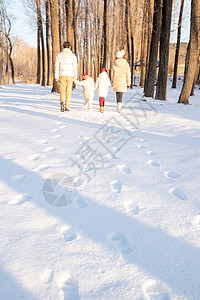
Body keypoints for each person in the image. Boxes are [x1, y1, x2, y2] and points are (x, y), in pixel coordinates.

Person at [55, 41, 77, 112]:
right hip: (70, 75)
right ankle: (67, 106)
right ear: (69, 47)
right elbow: (75, 67)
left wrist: (56, 76)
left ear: (63, 47)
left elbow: (56, 66)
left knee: (62, 89)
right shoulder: (73, 56)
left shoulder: (59, 55)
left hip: (62, 74)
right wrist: (75, 77)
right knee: (68, 91)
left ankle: (62, 101)